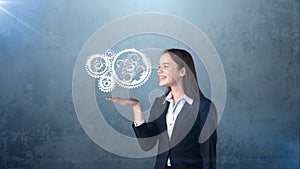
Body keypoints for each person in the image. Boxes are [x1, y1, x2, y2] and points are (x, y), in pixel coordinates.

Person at [106, 48, 218, 169]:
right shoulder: (160, 104)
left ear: (182, 71)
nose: (159, 71)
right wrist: (136, 107)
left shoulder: (204, 107)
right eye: (159, 66)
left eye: (165, 66)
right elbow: (147, 144)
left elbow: (208, 154)